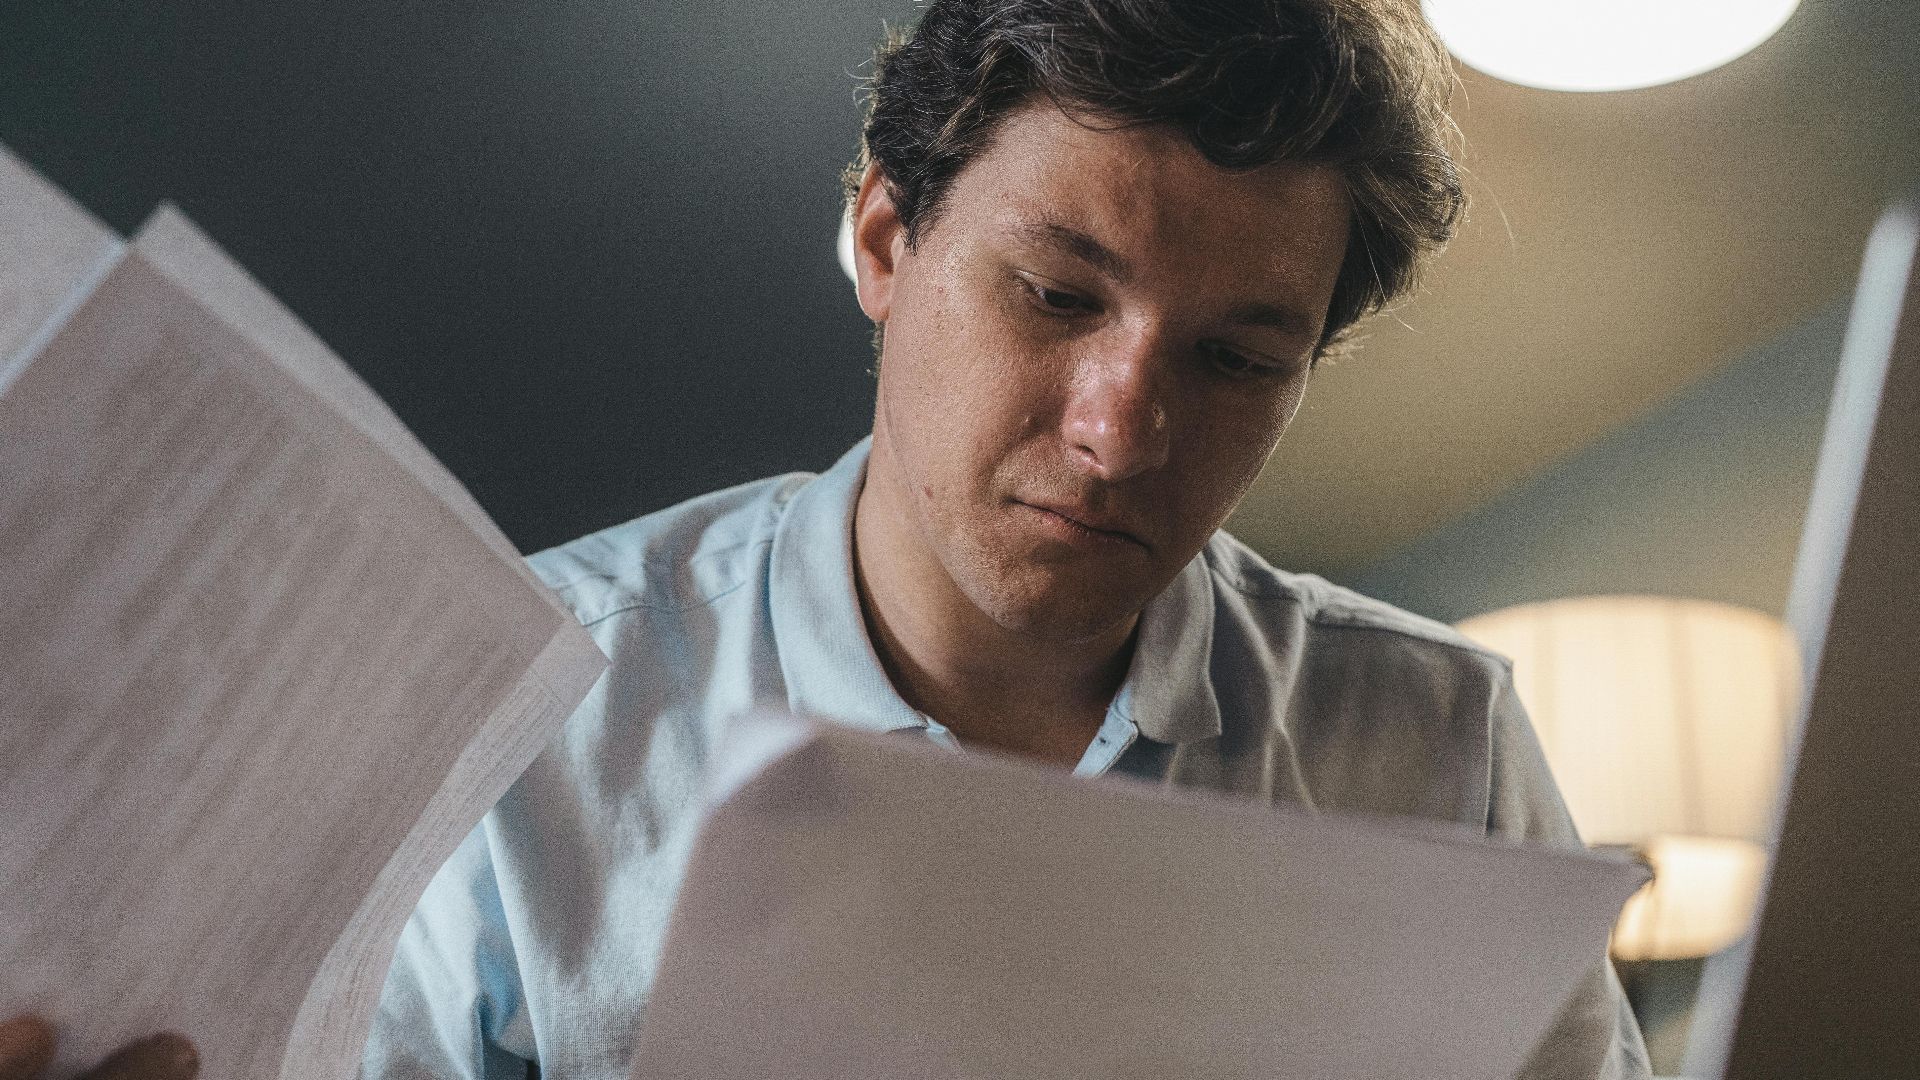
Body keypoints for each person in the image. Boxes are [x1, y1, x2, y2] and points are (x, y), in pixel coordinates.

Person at [3, 2, 1649, 1078]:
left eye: (1235, 358)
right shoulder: (521, 715)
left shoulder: (1441, 748)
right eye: (1054, 295)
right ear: (882, 233)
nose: (1121, 429)